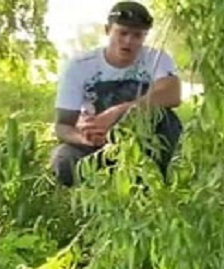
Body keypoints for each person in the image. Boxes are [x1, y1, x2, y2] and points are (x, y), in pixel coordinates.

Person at [49, 1, 183, 187]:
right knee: (63, 159)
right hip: (97, 143)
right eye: (122, 33)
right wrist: (84, 138)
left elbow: (172, 95)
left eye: (137, 35)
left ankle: (153, 185)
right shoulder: (79, 66)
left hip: (143, 142)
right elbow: (62, 126)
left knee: (167, 119)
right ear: (107, 30)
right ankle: (94, 198)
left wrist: (117, 112)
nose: (128, 41)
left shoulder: (156, 59)